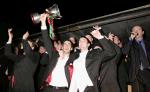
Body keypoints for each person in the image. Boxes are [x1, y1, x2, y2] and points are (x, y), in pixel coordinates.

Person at [69, 26, 116, 92]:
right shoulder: (75, 58)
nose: (81, 42)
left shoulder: (94, 54)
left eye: (83, 41)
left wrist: (100, 37)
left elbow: (111, 52)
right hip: (79, 89)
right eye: (80, 41)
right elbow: (74, 76)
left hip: (90, 88)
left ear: (88, 44)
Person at [39, 13, 74, 92]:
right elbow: (46, 40)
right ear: (62, 46)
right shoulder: (54, 55)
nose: (66, 45)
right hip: (49, 89)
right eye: (65, 44)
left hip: (64, 90)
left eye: (69, 44)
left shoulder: (74, 59)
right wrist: (43, 23)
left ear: (71, 48)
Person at [123, 25, 150, 92]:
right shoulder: (130, 44)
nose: (136, 31)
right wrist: (131, 39)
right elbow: (124, 52)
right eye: (134, 30)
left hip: (148, 72)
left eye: (138, 29)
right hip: (136, 73)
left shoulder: (148, 44)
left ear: (143, 32)